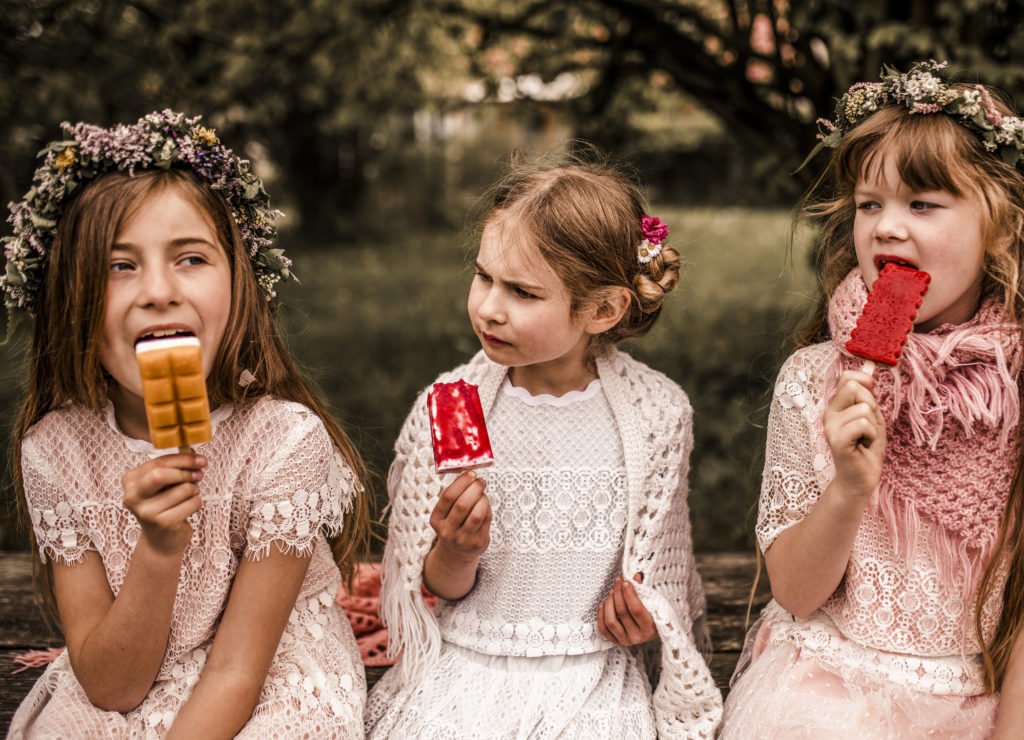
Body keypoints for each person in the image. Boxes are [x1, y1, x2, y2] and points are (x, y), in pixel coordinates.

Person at [3, 110, 370, 738]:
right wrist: (159, 546)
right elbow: (113, 685)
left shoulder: (282, 441)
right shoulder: (55, 452)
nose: (159, 291)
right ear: (70, 301)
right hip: (128, 676)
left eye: (190, 259)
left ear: (238, 283)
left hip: (266, 679)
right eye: (120, 266)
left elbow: (236, 671)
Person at [364, 152, 722, 739]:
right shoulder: (455, 402)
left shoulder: (657, 415)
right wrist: (455, 548)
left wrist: (643, 621)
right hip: (466, 668)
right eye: (483, 277)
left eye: (523, 293)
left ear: (602, 309)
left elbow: (661, 581)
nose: (489, 308)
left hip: (591, 678)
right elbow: (436, 586)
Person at [720, 61, 1024, 738]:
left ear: (997, 228)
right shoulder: (812, 379)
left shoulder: (1015, 392)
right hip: (823, 696)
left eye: (922, 204)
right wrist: (850, 488)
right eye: (869, 203)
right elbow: (795, 593)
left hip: (972, 705)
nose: (886, 227)